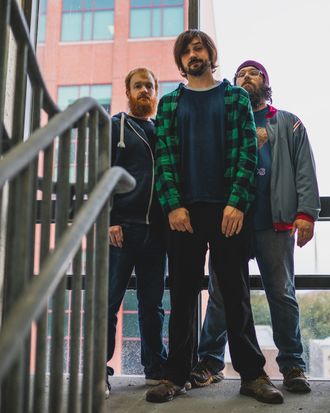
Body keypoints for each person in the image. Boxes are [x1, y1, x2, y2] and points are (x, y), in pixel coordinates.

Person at [146, 31, 283, 405]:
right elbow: (165, 160)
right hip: (183, 214)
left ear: (210, 54)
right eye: (187, 51)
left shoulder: (235, 97)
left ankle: (253, 376)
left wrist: (237, 203)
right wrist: (173, 205)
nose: (194, 54)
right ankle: (175, 376)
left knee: (236, 294)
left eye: (199, 48)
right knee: (184, 296)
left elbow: (246, 153)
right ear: (181, 61)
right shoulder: (171, 103)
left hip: (228, 212)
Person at [192, 60, 320, 394]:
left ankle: (293, 365)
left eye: (254, 73)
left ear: (266, 82)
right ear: (233, 85)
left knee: (282, 294)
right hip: (230, 223)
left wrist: (306, 213)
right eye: (241, 75)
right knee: (220, 295)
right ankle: (210, 362)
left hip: (274, 224)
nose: (247, 78)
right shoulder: (226, 122)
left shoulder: (288, 123)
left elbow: (304, 169)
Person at [105, 67, 167, 396]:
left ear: (156, 92)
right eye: (138, 86)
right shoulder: (116, 126)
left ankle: (155, 367)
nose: (144, 90)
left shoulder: (162, 131)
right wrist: (111, 219)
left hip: (157, 233)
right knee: (109, 301)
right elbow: (103, 175)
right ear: (128, 92)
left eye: (150, 86)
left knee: (152, 304)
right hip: (123, 229)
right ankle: (98, 370)